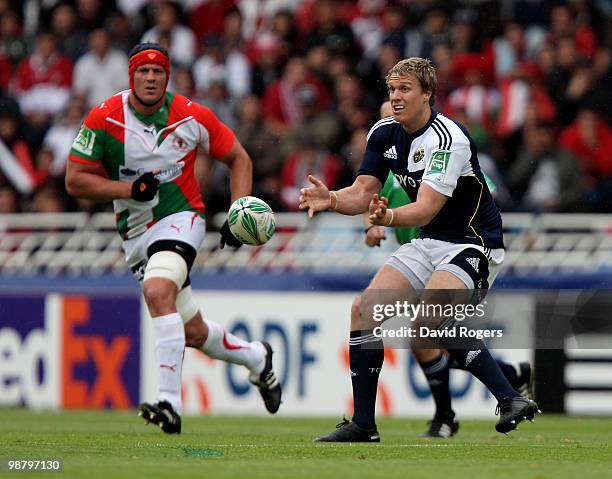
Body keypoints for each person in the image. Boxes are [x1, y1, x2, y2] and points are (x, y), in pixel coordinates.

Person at [300, 58, 539, 442]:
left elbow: (426, 206)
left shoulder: (448, 139)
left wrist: (387, 215)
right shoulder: (382, 134)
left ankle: (508, 397)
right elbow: (362, 192)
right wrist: (331, 199)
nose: (395, 97)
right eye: (392, 89)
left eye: (405, 89)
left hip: (473, 243)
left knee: (426, 325)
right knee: (364, 309)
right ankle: (364, 425)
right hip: (428, 241)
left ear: (428, 94)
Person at [65, 42, 281, 435]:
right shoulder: (103, 118)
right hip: (134, 233)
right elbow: (75, 180)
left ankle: (169, 402)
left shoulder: (191, 116)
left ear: (168, 77)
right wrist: (128, 191)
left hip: (182, 218)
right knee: (192, 330)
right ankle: (256, 358)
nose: (150, 78)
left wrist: (238, 211)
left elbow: (240, 158)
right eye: (143, 72)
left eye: (158, 72)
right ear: (131, 77)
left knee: (158, 290)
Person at [363, 101, 532, 438]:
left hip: (460, 253)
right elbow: (371, 213)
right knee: (424, 337)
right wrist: (373, 229)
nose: (393, 123)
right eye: (386, 117)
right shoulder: (389, 176)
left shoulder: (443, 151)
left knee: (429, 333)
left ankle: (448, 415)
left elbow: (485, 191)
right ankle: (506, 378)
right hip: (418, 259)